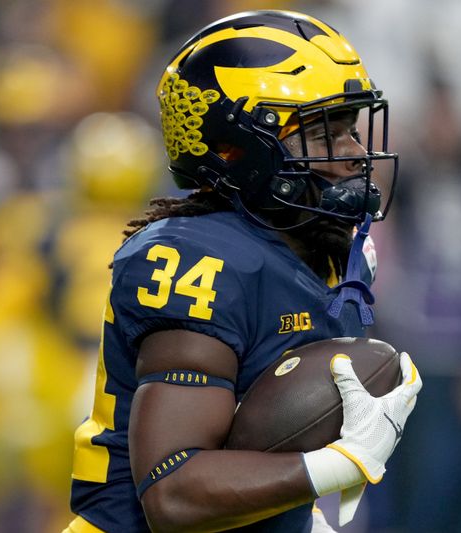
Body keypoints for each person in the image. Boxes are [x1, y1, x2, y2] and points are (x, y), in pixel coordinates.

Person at [63, 10, 422, 533]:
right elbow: (173, 492)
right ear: (243, 147)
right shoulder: (196, 259)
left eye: (351, 129)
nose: (354, 154)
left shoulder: (309, 243)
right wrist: (336, 465)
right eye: (325, 135)